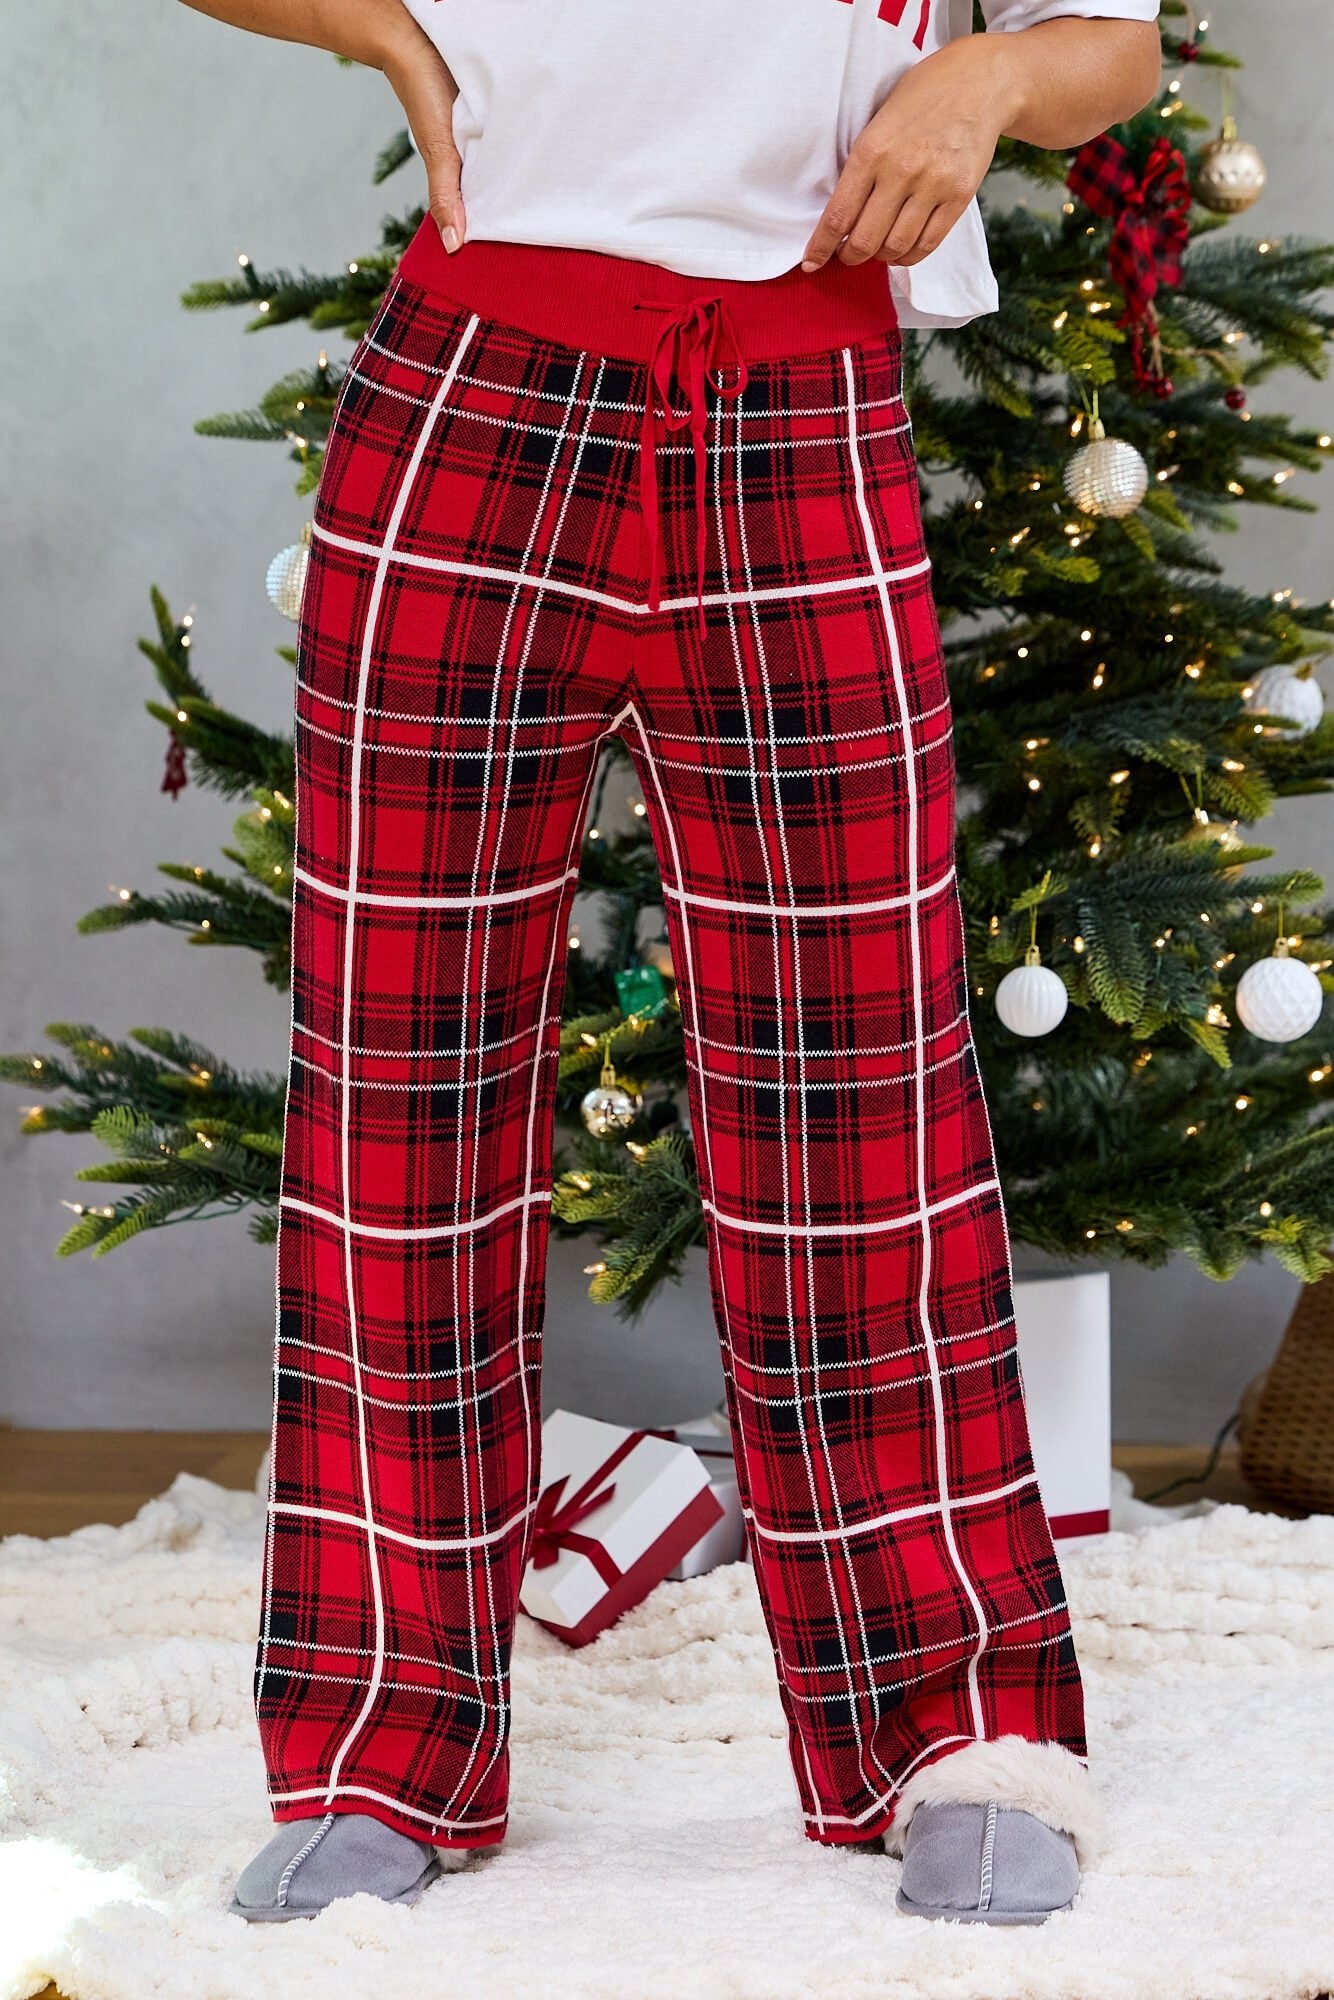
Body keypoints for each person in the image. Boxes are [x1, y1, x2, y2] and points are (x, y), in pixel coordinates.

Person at [180, 0, 1161, 1929]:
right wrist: (385, 37)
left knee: (856, 1094)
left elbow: (1110, 45)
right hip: (464, 395)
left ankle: (956, 1727)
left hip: (797, 408)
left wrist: (977, 80)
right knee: (400, 1095)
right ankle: (384, 1747)